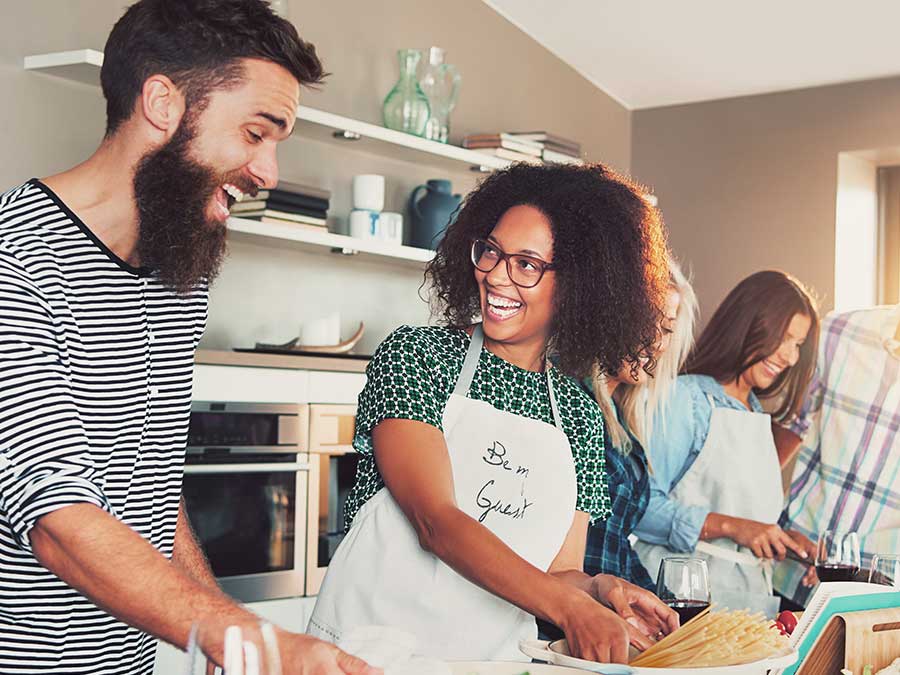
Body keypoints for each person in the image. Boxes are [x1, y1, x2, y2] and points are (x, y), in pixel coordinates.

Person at [0, 1, 374, 673]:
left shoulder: (180, 271)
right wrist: (259, 641)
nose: (268, 173)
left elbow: (143, 481)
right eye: (256, 133)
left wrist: (213, 627)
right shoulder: (15, 262)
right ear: (163, 104)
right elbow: (57, 513)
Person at [308, 163, 678, 664]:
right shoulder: (418, 357)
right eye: (491, 252)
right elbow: (434, 521)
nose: (496, 276)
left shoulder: (580, 416)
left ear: (576, 285)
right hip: (370, 653)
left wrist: (597, 588)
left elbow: (556, 572)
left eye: (526, 264)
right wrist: (568, 608)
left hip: (491, 661)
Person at [634, 270, 819, 615]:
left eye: (797, 345)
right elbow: (640, 508)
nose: (791, 357)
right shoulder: (687, 399)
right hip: (683, 602)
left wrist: (784, 539)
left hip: (745, 604)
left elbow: (745, 514)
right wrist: (733, 527)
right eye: (785, 338)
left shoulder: (756, 412)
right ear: (748, 324)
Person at [774, 304, 900, 606]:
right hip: (792, 570)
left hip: (879, 594)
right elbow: (792, 425)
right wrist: (758, 523)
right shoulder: (838, 332)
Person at [583, 259, 698, 591]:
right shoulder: (574, 404)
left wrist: (659, 603)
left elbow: (616, 546)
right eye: (647, 320)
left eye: (667, 329)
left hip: (608, 614)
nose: (656, 342)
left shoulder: (623, 423)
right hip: (567, 621)